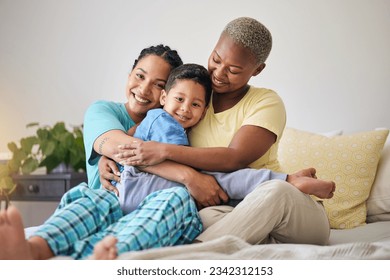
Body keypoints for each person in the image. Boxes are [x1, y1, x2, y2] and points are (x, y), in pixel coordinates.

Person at [101, 17, 335, 246]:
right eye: (216, 59)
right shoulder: (195, 98)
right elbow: (140, 134)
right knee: (194, 215)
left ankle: (191, 257)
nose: (219, 73)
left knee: (276, 192)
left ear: (258, 69)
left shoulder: (265, 102)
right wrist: (110, 155)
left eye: (233, 70)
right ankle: (242, 244)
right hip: (228, 206)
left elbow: (235, 158)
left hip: (284, 208)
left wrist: (163, 151)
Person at [0, 44, 203, 260]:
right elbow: (121, 148)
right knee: (89, 203)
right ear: (129, 74)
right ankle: (33, 250)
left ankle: (102, 258)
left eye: (157, 84)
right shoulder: (103, 110)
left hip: (152, 208)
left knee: (176, 198)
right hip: (109, 198)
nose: (143, 89)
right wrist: (187, 176)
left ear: (166, 93)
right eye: (140, 76)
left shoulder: (181, 124)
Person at [114, 63, 335, 215]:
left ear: (205, 110)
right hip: (140, 188)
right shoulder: (163, 121)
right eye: (179, 99)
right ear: (164, 97)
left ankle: (286, 181)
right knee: (223, 181)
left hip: (146, 188)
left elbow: (130, 138)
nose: (185, 109)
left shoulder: (164, 122)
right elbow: (142, 150)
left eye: (195, 105)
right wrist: (113, 157)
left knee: (226, 190)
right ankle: (287, 180)